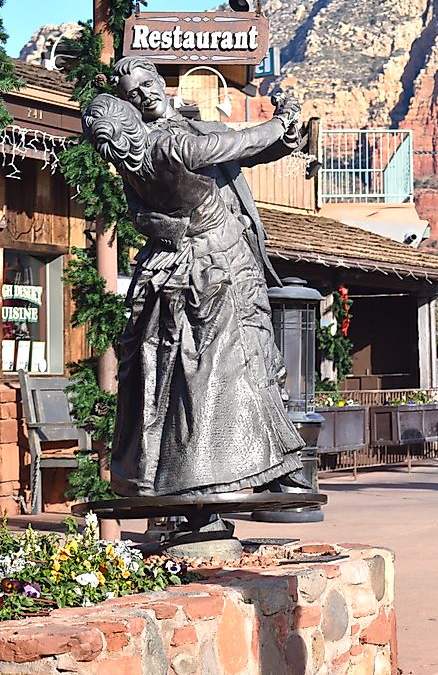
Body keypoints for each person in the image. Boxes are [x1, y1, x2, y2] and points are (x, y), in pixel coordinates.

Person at [81, 92, 308, 497]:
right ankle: (253, 466)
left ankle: (174, 473)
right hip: (221, 261)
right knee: (237, 362)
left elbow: (146, 216)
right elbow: (239, 143)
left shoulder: (130, 166)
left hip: (175, 266)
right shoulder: (168, 146)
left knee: (181, 372)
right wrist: (281, 122)